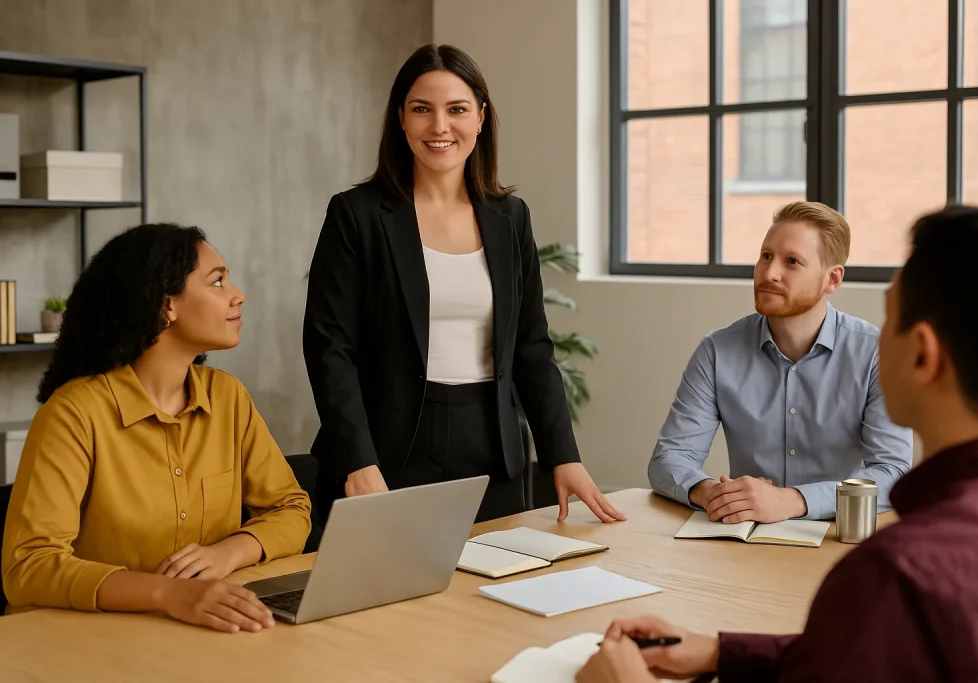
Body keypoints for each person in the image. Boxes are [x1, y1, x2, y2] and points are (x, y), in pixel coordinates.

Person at [577, 204, 978, 682]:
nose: (770, 272)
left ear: (922, 353)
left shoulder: (894, 573)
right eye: (765, 256)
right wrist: (721, 654)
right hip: (736, 571)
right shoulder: (976, 534)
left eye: (891, 321)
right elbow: (851, 657)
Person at [303, 44, 623, 525]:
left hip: (490, 449)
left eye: (456, 109)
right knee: (385, 598)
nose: (439, 127)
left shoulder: (510, 218)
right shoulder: (357, 215)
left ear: (480, 117)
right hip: (385, 451)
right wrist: (357, 460)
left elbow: (532, 346)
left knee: (491, 594)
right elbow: (330, 348)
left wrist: (563, 454)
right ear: (401, 119)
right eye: (421, 110)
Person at [1, 223, 311, 634]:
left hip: (200, 629)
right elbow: (29, 566)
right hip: (79, 638)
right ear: (167, 306)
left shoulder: (228, 398)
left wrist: (228, 554)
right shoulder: (74, 414)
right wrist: (169, 594)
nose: (238, 294)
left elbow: (290, 509)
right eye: (217, 282)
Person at [648, 201, 913, 522]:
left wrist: (793, 501)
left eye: (792, 261)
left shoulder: (875, 353)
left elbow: (894, 473)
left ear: (832, 279)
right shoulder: (717, 350)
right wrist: (713, 494)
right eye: (766, 256)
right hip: (742, 539)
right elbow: (670, 457)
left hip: (837, 536)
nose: (770, 273)